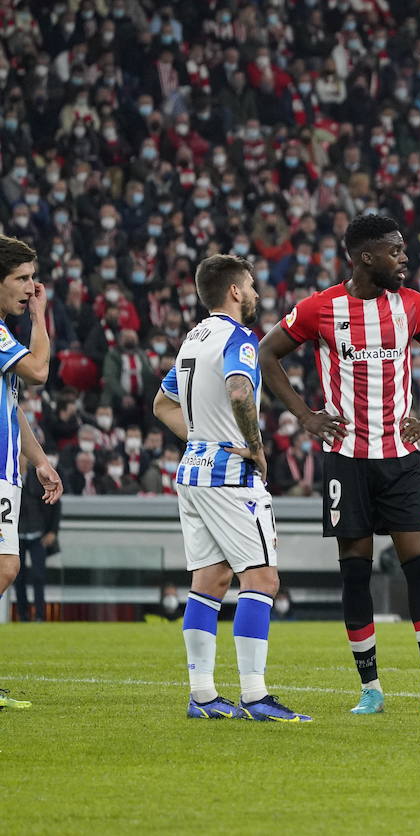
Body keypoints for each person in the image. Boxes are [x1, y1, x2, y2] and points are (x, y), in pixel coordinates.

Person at [259, 215, 420, 717]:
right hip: (347, 461)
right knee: (355, 574)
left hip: (400, 460)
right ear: (365, 258)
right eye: (396, 251)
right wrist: (306, 417)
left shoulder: (413, 306)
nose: (405, 259)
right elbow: (268, 354)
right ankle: (371, 690)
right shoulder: (320, 307)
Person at [151, 254, 310, 721]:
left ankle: (202, 697)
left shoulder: (191, 341)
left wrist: (201, 439)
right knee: (261, 579)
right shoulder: (240, 338)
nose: (257, 294)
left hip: (193, 471)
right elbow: (241, 391)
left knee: (210, 581)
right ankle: (256, 696)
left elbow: (162, 404)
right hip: (230, 475)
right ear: (235, 291)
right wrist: (253, 447)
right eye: (252, 286)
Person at [0, 236, 62, 708]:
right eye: (21, 279)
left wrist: (39, 460)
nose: (30, 288)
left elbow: (14, 403)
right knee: (7, 566)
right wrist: (40, 317)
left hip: (8, 471)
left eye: (32, 278)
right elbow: (40, 370)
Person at [15, 461, 61, 621]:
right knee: (17, 576)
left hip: (37, 534)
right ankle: (23, 615)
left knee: (39, 575)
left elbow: (55, 503)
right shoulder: (8, 476)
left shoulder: (38, 476)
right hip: (16, 535)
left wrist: (52, 531)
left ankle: (40, 615)